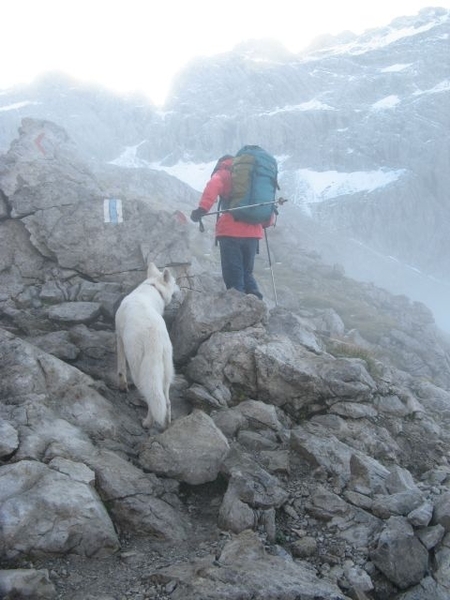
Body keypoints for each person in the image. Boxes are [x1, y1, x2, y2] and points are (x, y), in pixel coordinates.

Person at [190, 154, 264, 300]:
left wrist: (202, 209)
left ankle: (238, 311)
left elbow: (213, 186)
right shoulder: (254, 176)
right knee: (247, 273)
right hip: (254, 232)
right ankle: (256, 307)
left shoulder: (224, 172)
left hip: (231, 232)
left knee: (233, 274)